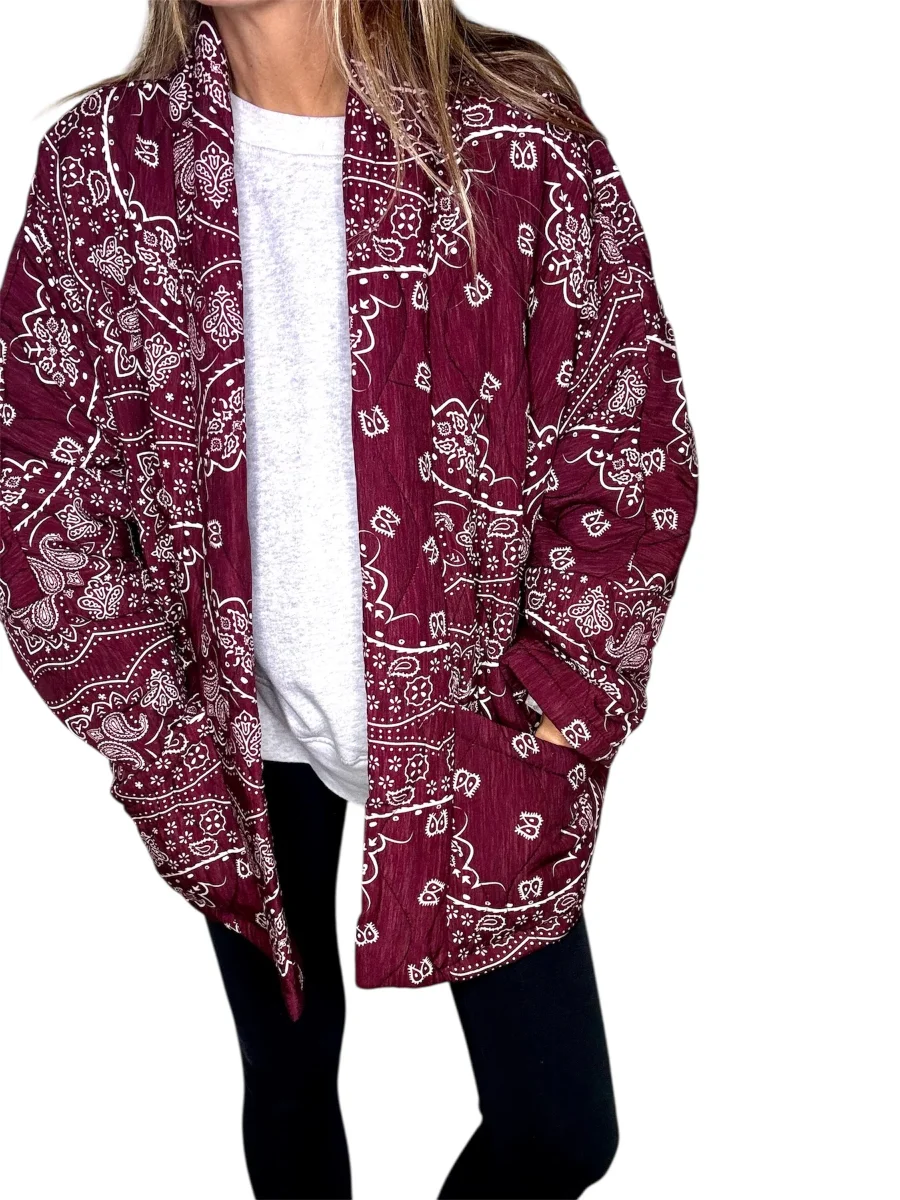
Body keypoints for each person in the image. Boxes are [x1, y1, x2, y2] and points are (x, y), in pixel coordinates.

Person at [0, 1, 698, 1196]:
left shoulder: (512, 144)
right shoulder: (109, 166)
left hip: (478, 726)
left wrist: (557, 693)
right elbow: (38, 487)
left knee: (559, 1126)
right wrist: (156, 737)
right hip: (234, 731)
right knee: (287, 1077)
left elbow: (626, 440)